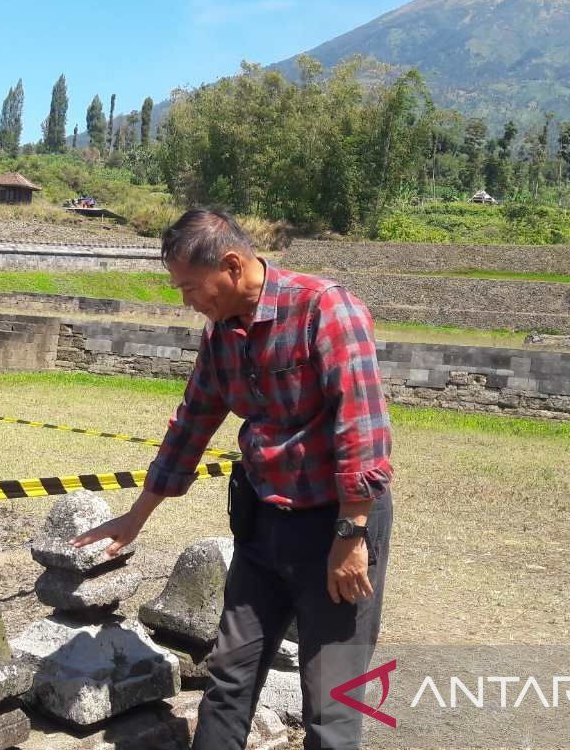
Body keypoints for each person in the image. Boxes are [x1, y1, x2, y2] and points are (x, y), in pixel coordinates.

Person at [71, 209, 394, 750]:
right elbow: (191, 422)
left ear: (232, 265)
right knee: (229, 678)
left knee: (332, 702)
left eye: (191, 286)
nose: (186, 299)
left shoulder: (323, 307)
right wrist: (137, 515)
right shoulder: (222, 334)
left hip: (334, 524)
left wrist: (351, 535)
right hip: (264, 524)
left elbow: (361, 425)